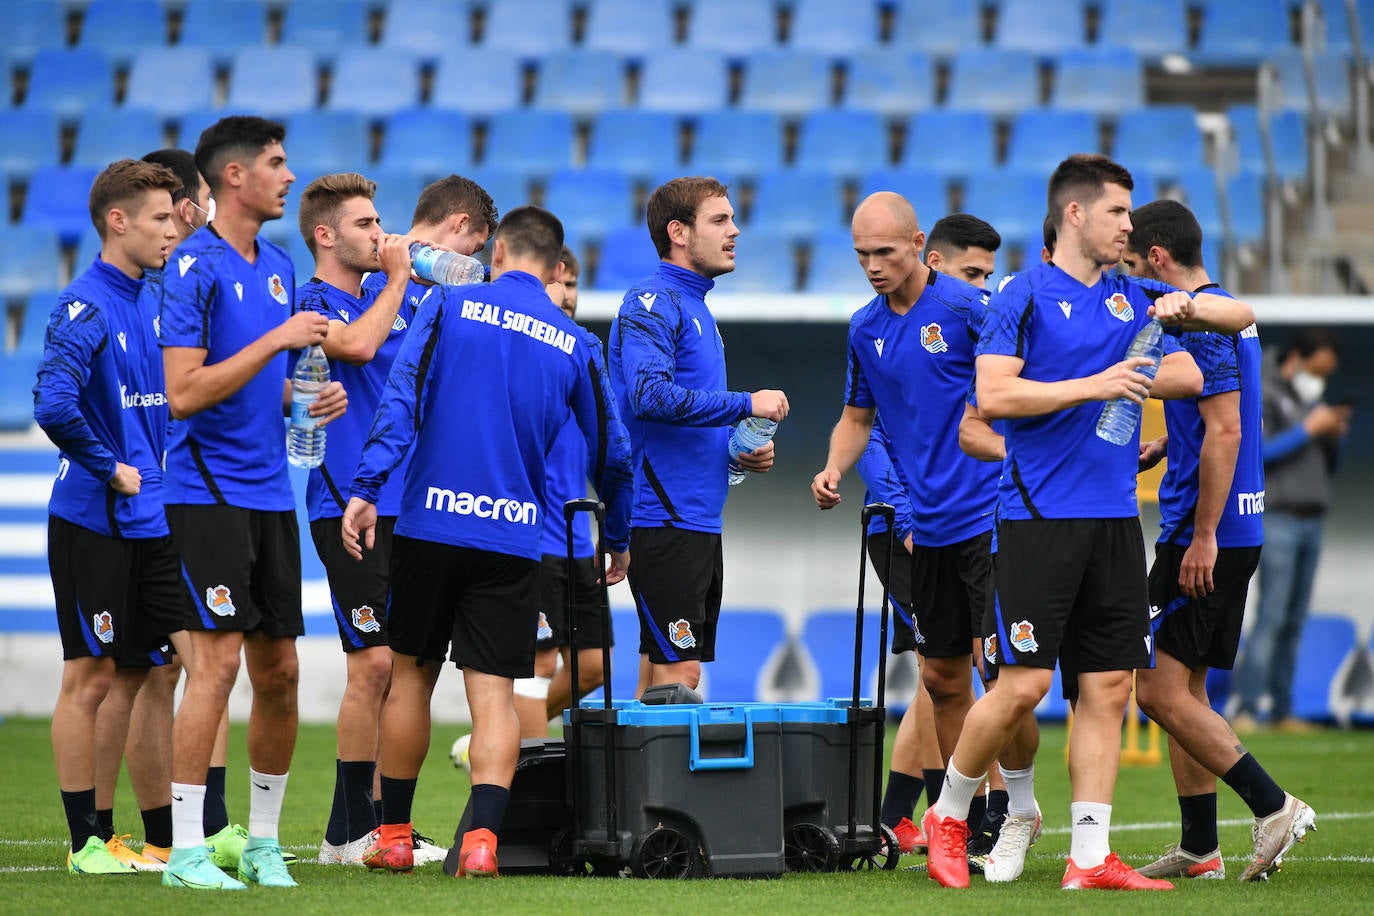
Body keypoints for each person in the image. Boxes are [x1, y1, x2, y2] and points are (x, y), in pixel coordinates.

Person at [919, 154, 1254, 891]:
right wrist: (1096, 384)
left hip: (1114, 524)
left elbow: (1221, 341)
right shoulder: (1022, 294)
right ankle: (947, 814)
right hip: (1037, 519)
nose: (1128, 226)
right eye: (1117, 212)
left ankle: (1090, 858)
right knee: (1022, 688)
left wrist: (1182, 312)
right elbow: (994, 397)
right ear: (1075, 214)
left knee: (1107, 690)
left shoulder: (1134, 296)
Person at [343, 206, 633, 878]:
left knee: (410, 679)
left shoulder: (446, 307)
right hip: (511, 539)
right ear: (554, 268)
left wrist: (366, 487)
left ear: (496, 252)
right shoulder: (575, 344)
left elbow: (400, 401)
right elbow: (614, 454)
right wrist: (616, 535)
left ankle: (394, 836)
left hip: (430, 525)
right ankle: (482, 843)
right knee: (496, 694)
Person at [812, 201, 1042, 879]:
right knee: (941, 679)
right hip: (929, 527)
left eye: (885, 252)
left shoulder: (969, 308)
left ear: (919, 244)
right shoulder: (865, 328)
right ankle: (962, 825)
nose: (873, 266)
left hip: (991, 518)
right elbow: (858, 417)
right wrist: (834, 467)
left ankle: (1018, 806)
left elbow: (1017, 385)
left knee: (1001, 677)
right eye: (862, 255)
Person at [157, 115, 348, 891]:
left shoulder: (276, 264)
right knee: (217, 662)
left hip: (270, 491)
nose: (288, 175)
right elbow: (182, 392)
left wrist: (306, 400)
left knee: (281, 671)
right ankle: (186, 852)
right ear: (233, 175)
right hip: (206, 491)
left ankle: (263, 843)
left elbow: (263, 383)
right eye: (276, 162)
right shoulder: (191, 266)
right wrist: (275, 343)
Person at [1122, 199, 1316, 883]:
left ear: (1157, 259)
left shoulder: (1197, 318)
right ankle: (1200, 847)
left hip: (1206, 530)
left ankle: (1275, 805)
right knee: (1187, 688)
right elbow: (1218, 421)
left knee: (1155, 689)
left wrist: (1203, 534)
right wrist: (1166, 445)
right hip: (1235, 522)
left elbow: (1228, 430)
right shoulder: (1226, 308)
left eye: (1131, 263)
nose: (1129, 277)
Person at [34, 158, 181, 877]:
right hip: (94, 519)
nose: (172, 230)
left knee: (144, 670)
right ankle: (83, 843)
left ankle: (126, 835)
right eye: (160, 217)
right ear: (117, 221)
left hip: (148, 520)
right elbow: (52, 402)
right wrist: (108, 465)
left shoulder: (147, 300)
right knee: (89, 676)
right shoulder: (84, 306)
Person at [608, 177, 788, 695]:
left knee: (658, 671)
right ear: (678, 232)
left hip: (695, 516)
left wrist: (735, 449)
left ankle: (637, 757)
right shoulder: (652, 300)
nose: (735, 230)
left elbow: (683, 416)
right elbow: (649, 396)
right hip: (662, 515)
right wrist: (745, 404)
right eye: (720, 220)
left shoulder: (696, 305)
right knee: (680, 674)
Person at [293, 173, 422, 866]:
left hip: (407, 502)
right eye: (365, 224)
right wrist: (399, 277)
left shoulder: (385, 297)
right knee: (370, 663)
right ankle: (349, 831)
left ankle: (367, 827)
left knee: (396, 670)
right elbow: (359, 349)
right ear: (325, 235)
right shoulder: (312, 303)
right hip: (346, 504)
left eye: (380, 222)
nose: (380, 233)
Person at [512, 245, 618, 738]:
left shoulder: (584, 354)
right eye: (557, 284)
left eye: (573, 284)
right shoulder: (521, 353)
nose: (567, 294)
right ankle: (524, 775)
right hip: (535, 541)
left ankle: (502, 737)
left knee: (593, 667)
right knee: (539, 665)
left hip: (579, 539)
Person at [1231, 329, 1350, 730]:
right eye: (1317, 370)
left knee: (1295, 618)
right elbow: (1258, 451)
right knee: (1272, 614)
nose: (1320, 379)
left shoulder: (1311, 400)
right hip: (1278, 517)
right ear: (1297, 357)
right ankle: (1247, 707)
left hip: (1312, 518)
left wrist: (1333, 435)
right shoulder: (1264, 388)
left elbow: (1327, 466)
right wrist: (1309, 428)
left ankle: (1282, 709)